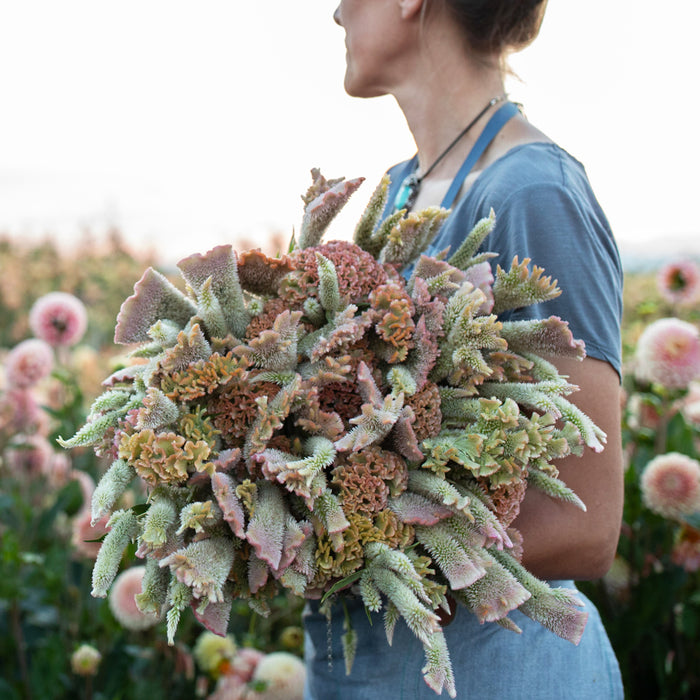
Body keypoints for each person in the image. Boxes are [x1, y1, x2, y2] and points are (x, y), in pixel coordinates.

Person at [304, 1, 625, 697]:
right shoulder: (395, 194)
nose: (335, 12)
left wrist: (322, 540)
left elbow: (588, 525)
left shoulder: (533, 192)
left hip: (504, 673)